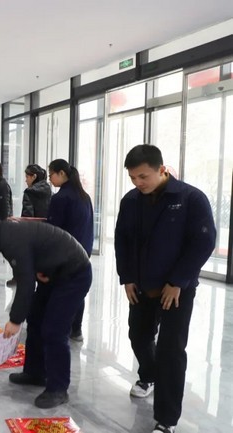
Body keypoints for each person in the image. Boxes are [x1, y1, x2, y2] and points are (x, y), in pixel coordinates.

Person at [114, 144, 215, 433]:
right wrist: (127, 277)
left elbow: (203, 242)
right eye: (132, 177)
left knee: (171, 350)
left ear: (161, 169)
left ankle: (166, 420)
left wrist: (178, 281)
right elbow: (122, 240)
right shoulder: (131, 201)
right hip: (141, 286)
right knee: (138, 336)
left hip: (177, 291)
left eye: (143, 176)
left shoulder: (190, 198)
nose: (138, 183)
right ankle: (149, 375)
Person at [0, 211, 91, 409]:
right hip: (53, 272)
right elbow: (28, 264)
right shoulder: (5, 235)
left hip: (74, 274)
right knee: (35, 319)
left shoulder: (9, 238)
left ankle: (58, 389)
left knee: (54, 330)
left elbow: (25, 283)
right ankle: (35, 372)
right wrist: (40, 268)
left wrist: (15, 320)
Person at [47, 159, 94, 342]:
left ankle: (61, 330)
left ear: (62, 173)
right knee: (77, 292)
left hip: (65, 254)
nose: (50, 179)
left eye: (51, 174)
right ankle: (76, 330)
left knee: (62, 292)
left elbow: (54, 231)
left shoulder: (60, 198)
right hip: (83, 252)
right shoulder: (84, 196)